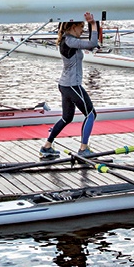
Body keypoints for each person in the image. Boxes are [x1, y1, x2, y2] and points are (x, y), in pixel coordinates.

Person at [39, 12, 100, 159]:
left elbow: (91, 44)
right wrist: (93, 24)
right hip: (72, 85)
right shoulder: (70, 41)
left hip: (65, 84)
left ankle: (46, 147)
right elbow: (92, 43)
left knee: (67, 118)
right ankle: (83, 149)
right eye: (81, 27)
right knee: (91, 114)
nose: (82, 31)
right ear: (73, 27)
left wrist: (92, 31)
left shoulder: (68, 40)